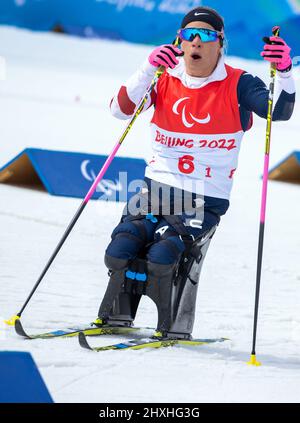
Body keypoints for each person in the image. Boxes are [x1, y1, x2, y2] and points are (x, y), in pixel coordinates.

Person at [96, 6, 296, 338]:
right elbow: (120, 110)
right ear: (180, 41)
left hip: (205, 196)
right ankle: (117, 315)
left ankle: (173, 326)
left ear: (220, 44)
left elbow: (280, 112)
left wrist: (285, 70)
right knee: (119, 251)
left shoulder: (239, 83)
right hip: (155, 188)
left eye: (205, 36)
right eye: (189, 35)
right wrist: (147, 67)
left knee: (163, 258)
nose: (196, 43)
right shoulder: (164, 76)